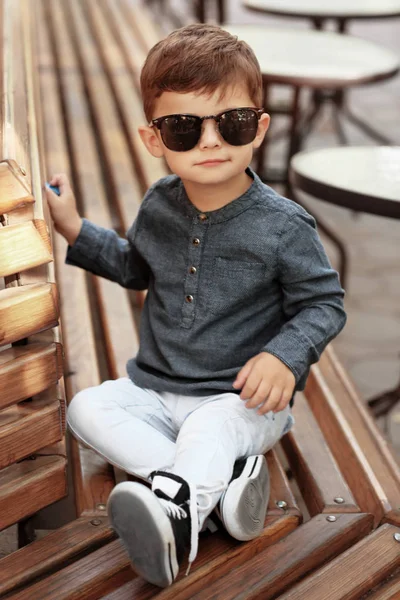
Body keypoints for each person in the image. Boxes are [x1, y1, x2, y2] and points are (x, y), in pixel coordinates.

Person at [46, 23, 346, 588]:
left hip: (240, 401)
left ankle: (177, 528)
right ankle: (219, 490)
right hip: (155, 390)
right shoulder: (159, 204)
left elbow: (324, 304)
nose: (209, 141)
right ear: (153, 140)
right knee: (85, 409)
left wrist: (285, 357)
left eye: (229, 124)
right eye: (183, 128)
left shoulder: (283, 226)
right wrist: (74, 229)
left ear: (257, 129)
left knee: (209, 434)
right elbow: (137, 266)